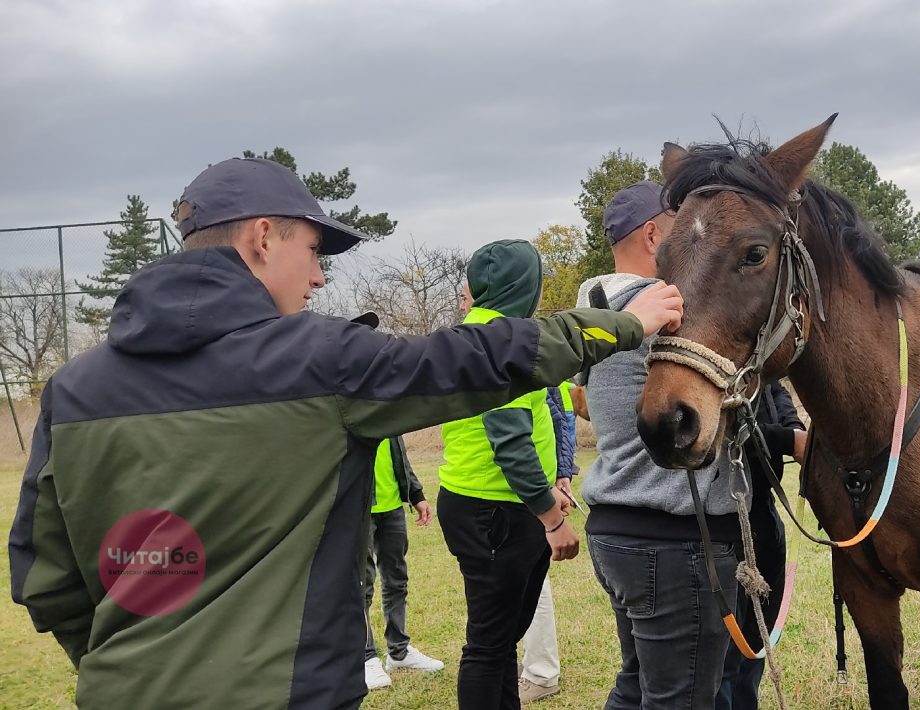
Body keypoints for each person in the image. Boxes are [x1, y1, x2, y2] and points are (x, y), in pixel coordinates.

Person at [7, 157, 684, 710]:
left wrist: (134, 669)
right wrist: (627, 322)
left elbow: (46, 579)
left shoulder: (73, 392)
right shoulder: (320, 362)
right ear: (262, 237)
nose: (320, 274)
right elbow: (476, 358)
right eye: (312, 248)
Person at [578, 180, 742, 709]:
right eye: (681, 229)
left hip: (615, 530)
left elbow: (585, 399)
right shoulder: (665, 309)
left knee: (637, 686)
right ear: (653, 234)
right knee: (682, 699)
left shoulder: (596, 309)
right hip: (674, 540)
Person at [438, 240, 583, 710]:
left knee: (499, 641)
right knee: (486, 647)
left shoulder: (472, 331)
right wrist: (552, 520)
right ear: (528, 286)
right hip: (495, 508)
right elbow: (511, 442)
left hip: (478, 503)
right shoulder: (506, 342)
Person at [715, 383, 806, 710]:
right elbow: (723, 427)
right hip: (722, 522)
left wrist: (793, 425)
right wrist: (790, 440)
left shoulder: (756, 363)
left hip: (763, 512)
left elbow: (773, 390)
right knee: (724, 651)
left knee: (756, 636)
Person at [363, 435, 444, 691]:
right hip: (357, 508)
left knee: (397, 580)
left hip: (391, 507)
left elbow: (398, 453)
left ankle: (398, 652)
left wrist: (416, 493)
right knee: (361, 584)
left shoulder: (387, 404)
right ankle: (364, 657)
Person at [518, 380, 578, 704]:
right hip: (525, 483)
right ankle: (530, 664)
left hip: (530, 486)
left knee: (532, 580)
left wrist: (561, 474)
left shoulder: (530, 343)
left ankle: (541, 673)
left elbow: (557, 414)